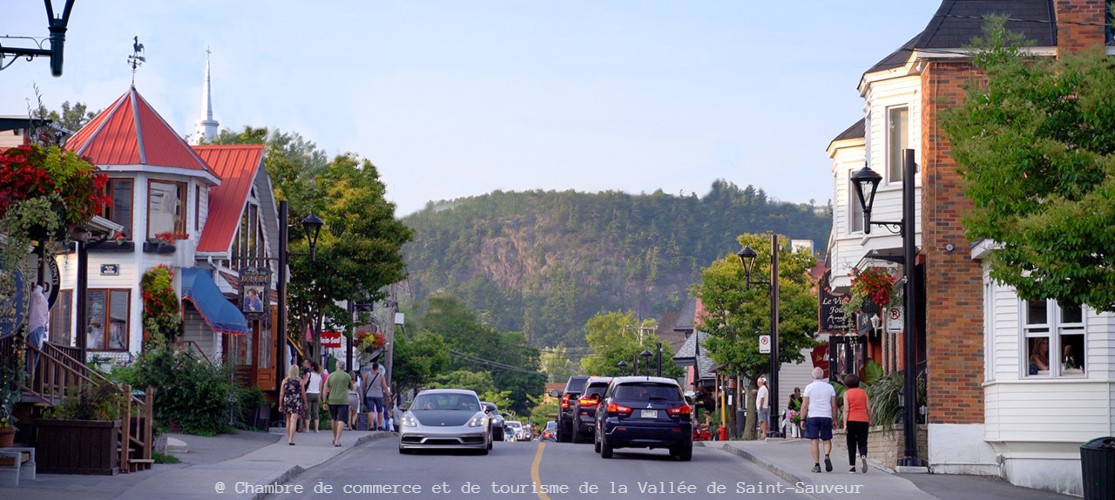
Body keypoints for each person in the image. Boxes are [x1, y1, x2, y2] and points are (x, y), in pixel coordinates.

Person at [801, 367, 837, 473]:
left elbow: (804, 405)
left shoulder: (809, 387)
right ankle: (826, 455)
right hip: (826, 416)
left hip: (813, 416)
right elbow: (834, 405)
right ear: (823, 375)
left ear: (813, 376)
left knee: (814, 441)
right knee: (826, 439)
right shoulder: (830, 387)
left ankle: (817, 465)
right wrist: (834, 419)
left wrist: (802, 419)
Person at [842, 373, 871, 473]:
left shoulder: (846, 393)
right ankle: (863, 455)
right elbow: (868, 408)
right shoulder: (863, 392)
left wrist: (845, 424)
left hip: (851, 420)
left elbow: (846, 410)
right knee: (863, 441)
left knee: (851, 443)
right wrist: (869, 419)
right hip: (863, 420)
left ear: (846, 383)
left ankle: (852, 466)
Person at [321, 359, 353, 447]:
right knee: (341, 420)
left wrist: (324, 401)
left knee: (334, 419)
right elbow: (351, 387)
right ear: (344, 367)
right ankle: (338, 440)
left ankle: (334, 437)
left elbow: (325, 389)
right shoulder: (347, 376)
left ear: (336, 366)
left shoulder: (331, 376)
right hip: (343, 400)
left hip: (332, 400)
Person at [278, 364, 307, 446]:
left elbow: (281, 394)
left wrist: (280, 405)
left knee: (288, 419)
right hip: (296, 401)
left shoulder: (285, 381)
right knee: (293, 420)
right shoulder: (300, 381)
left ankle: (289, 437)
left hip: (287, 400)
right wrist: (305, 403)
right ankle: (291, 439)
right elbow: (303, 393)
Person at [26, 284, 48, 379]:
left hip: (36, 326)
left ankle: (29, 375)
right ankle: (30, 375)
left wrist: (37, 287)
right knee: (35, 350)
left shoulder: (37, 295)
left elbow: (36, 293)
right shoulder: (43, 299)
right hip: (40, 326)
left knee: (33, 350)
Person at [362, 362, 391, 431]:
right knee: (380, 411)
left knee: (370, 411)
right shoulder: (381, 376)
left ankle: (371, 426)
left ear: (372, 368)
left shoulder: (367, 375)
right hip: (379, 395)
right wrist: (388, 395)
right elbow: (384, 386)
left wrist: (366, 392)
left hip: (369, 395)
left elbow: (364, 385)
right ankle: (380, 425)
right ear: (378, 368)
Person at [302, 361, 324, 432]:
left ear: (312, 367)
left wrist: (302, 379)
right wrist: (320, 396)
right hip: (316, 394)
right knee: (315, 411)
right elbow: (320, 387)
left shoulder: (309, 374)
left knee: (308, 411)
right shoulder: (319, 376)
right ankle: (316, 428)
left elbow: (304, 382)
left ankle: (307, 428)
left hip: (309, 393)